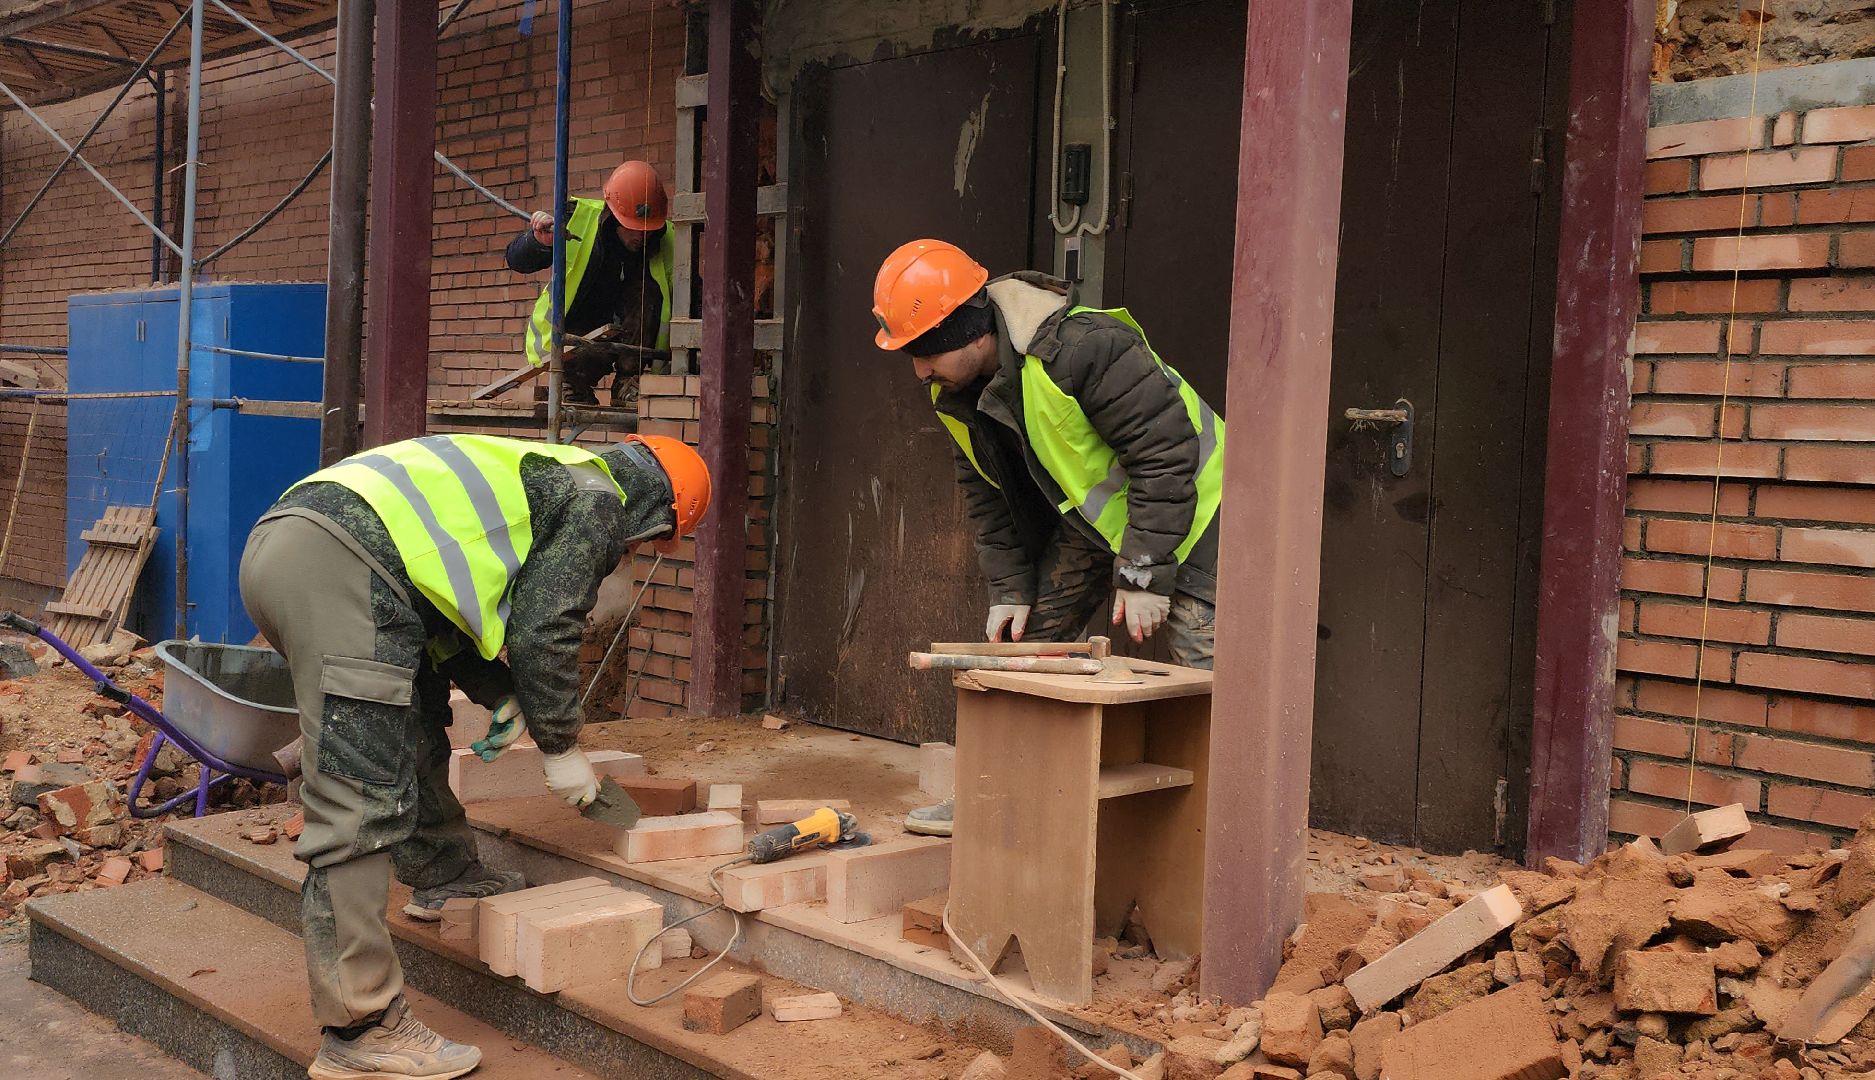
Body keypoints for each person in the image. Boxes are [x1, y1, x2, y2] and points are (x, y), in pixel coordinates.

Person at [239, 432, 709, 1079]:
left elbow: (440, 610)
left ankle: (441, 875)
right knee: (356, 797)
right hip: (343, 565)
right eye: (644, 546)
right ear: (660, 516)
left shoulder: (549, 474)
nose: (630, 554)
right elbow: (544, 626)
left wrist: (500, 693)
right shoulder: (600, 500)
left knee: (410, 711)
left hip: (298, 546)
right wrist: (560, 746)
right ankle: (363, 1027)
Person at [871, 239, 1225, 838]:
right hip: (1100, 527)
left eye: (923, 351)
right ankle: (992, 797)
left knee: (1208, 680)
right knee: (1029, 654)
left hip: (1200, 518)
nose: (918, 370)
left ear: (968, 329)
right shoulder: (956, 396)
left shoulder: (1084, 349)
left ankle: (1221, 841)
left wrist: (1143, 571)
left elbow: (1165, 456)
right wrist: (1011, 587)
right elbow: (987, 494)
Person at [506, 159, 674, 405]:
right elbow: (516, 259)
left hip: (627, 340)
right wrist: (538, 242)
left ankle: (627, 384)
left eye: (648, 229)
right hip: (573, 339)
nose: (642, 236)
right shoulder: (576, 218)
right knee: (577, 359)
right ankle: (571, 382)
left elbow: (691, 291)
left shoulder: (667, 237)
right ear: (615, 216)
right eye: (633, 228)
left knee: (646, 293)